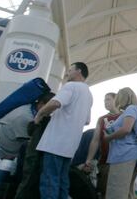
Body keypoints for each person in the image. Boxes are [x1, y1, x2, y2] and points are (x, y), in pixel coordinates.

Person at [33, 62, 94, 199]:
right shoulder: (88, 95)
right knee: (62, 181)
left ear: (78, 71)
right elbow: (87, 121)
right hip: (70, 146)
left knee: (49, 180)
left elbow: (55, 103)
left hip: (55, 143)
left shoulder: (71, 86)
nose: (67, 73)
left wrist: (39, 114)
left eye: (70, 70)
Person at [13, 91, 55, 199]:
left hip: (32, 156)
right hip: (33, 157)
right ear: (41, 104)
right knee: (27, 183)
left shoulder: (41, 118)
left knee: (27, 183)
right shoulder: (33, 117)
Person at [0, 92, 54, 159]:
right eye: (51, 108)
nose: (52, 111)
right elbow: (29, 143)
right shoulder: (25, 116)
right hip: (0, 151)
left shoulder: (30, 109)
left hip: (8, 150)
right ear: (41, 104)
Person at [104, 87, 137, 199]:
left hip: (123, 155)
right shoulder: (135, 109)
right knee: (127, 192)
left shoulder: (131, 109)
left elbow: (126, 129)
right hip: (130, 155)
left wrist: (109, 137)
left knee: (116, 191)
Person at [83, 91, 121, 196]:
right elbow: (95, 140)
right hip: (104, 160)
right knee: (102, 191)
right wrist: (88, 160)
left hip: (120, 160)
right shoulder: (102, 119)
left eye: (108, 99)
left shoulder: (124, 116)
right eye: (104, 100)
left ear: (116, 100)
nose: (105, 102)